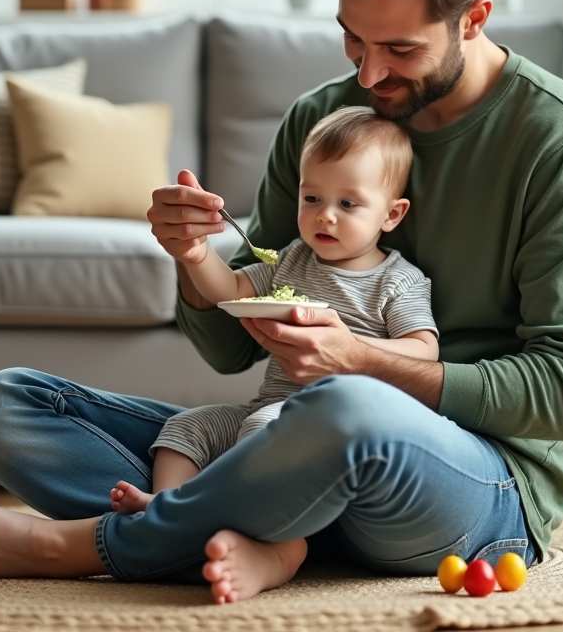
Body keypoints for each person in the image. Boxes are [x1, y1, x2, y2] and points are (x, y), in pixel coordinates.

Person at [0, 0, 563, 606]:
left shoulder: (562, 145)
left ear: (474, 18)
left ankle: (90, 543)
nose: (369, 74)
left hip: (476, 490)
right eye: (352, 40)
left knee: (348, 408)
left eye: (400, 50)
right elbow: (232, 349)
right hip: (284, 438)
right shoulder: (322, 119)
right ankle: (263, 530)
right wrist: (191, 254)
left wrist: (360, 360)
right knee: (7, 409)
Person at [109, 106, 439, 516]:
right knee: (186, 426)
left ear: (391, 214)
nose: (325, 214)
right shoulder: (293, 260)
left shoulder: (398, 280)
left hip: (330, 422)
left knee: (263, 426)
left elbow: (425, 350)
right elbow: (228, 288)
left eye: (348, 203)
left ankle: (207, 515)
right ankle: (166, 512)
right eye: (312, 198)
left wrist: (351, 347)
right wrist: (196, 256)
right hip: (269, 404)